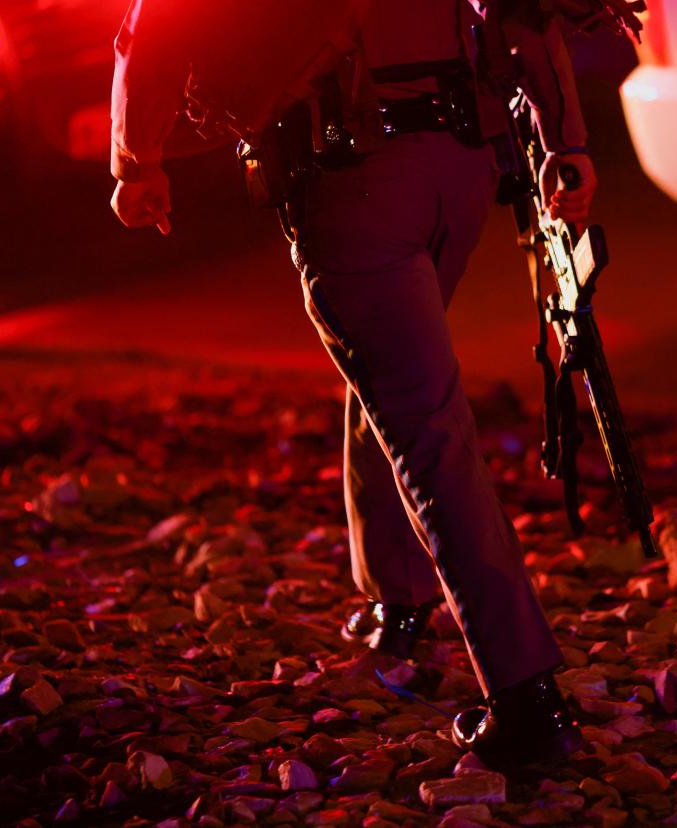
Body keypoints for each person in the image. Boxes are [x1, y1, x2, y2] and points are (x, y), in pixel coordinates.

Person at [110, 0, 598, 768]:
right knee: (394, 381)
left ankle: (528, 698)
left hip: (357, 182)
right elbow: (525, 11)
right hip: (460, 167)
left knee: (422, 422)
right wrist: (565, 140)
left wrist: (136, 158)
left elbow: (159, 26)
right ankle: (399, 608)